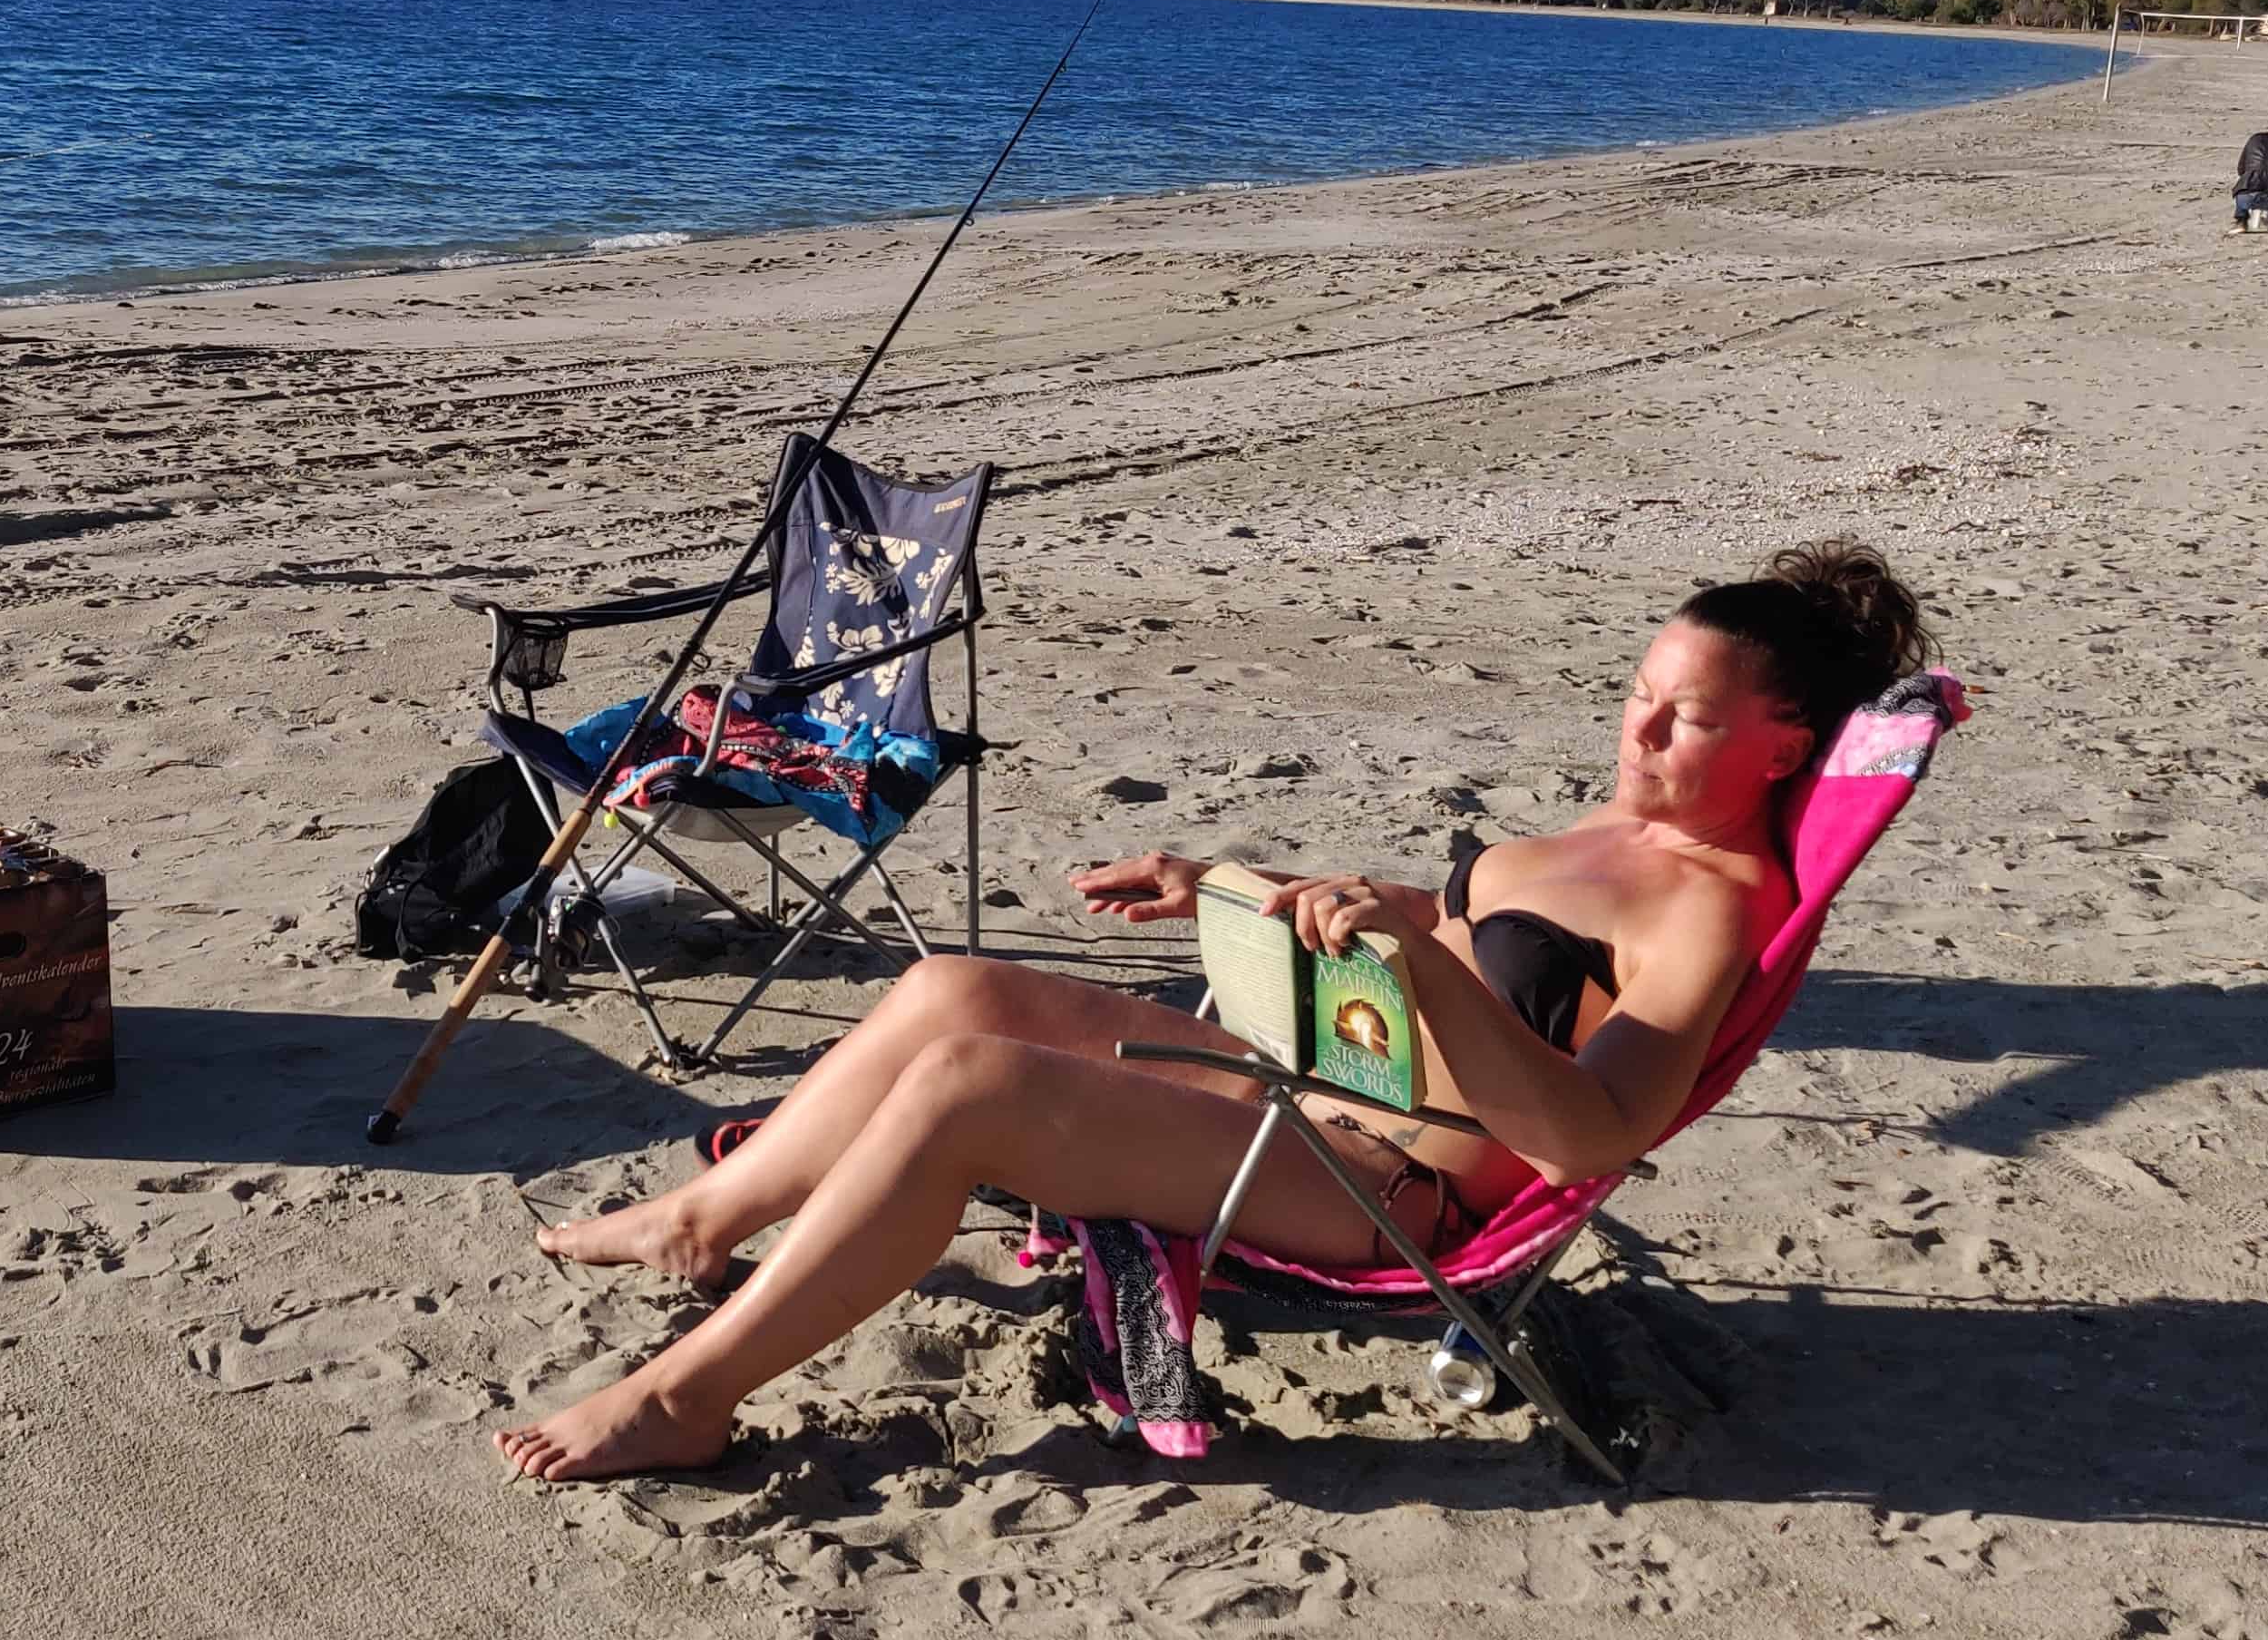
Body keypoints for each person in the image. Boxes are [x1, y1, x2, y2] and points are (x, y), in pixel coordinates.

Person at [497, 542, 1933, 1481]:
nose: (1637, 732)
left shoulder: (1705, 905)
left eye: (1683, 720)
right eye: (1638, 695)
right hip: (1300, 1087)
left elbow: (1589, 1134)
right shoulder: (1617, 827)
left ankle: (689, 1400)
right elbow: (1455, 913)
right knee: (952, 988)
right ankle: (707, 1223)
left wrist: (1426, 975)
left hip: (1387, 1190)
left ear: (1785, 746)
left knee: (970, 1089)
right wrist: (1228, 885)